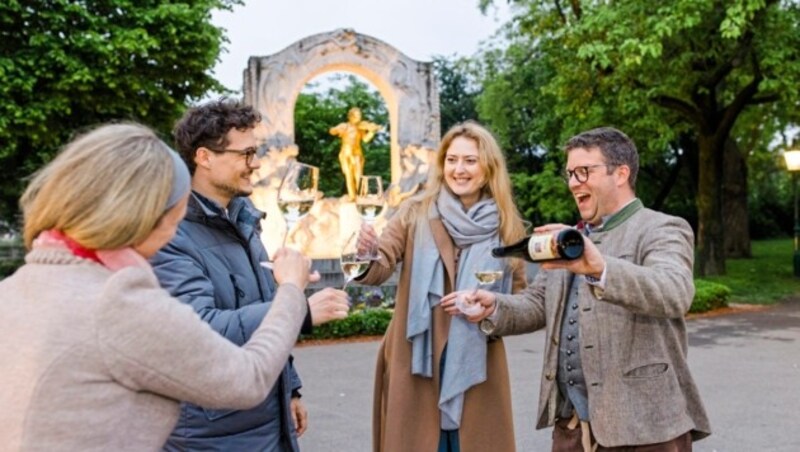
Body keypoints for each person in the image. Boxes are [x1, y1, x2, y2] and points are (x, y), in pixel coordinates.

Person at [0, 123, 324, 451]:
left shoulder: (15, 288)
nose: (172, 233)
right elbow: (246, 380)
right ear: (143, 214)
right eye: (173, 216)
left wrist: (290, 388)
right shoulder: (120, 302)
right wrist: (292, 294)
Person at [443, 127, 712, 451]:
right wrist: (494, 306)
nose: (573, 182)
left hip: (645, 426)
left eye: (584, 171)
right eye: (570, 173)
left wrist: (601, 267)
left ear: (621, 173)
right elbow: (539, 302)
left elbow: (675, 292)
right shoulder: (570, 237)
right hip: (571, 427)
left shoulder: (661, 228)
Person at [150, 99, 350, 451]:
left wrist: (289, 388)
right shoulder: (170, 235)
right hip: (214, 431)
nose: (255, 164)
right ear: (204, 157)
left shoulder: (244, 220)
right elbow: (200, 330)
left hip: (264, 413)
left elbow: (262, 308)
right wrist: (298, 309)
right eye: (246, 154)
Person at [356, 121, 528, 452]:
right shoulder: (416, 210)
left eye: (469, 160)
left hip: (478, 361)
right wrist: (365, 254)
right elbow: (379, 266)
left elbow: (519, 302)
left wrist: (491, 306)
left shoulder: (507, 224)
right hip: (417, 354)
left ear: (488, 167)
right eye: (451, 160)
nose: (458, 169)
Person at [329, 107, 383, 200]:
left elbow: (365, 139)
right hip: (345, 153)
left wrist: (372, 131)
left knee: (359, 175)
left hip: (357, 153)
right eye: (357, 115)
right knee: (348, 175)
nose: (359, 117)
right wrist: (336, 129)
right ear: (351, 116)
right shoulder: (345, 126)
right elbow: (332, 131)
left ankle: (361, 195)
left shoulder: (360, 127)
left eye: (360, 115)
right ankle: (352, 196)